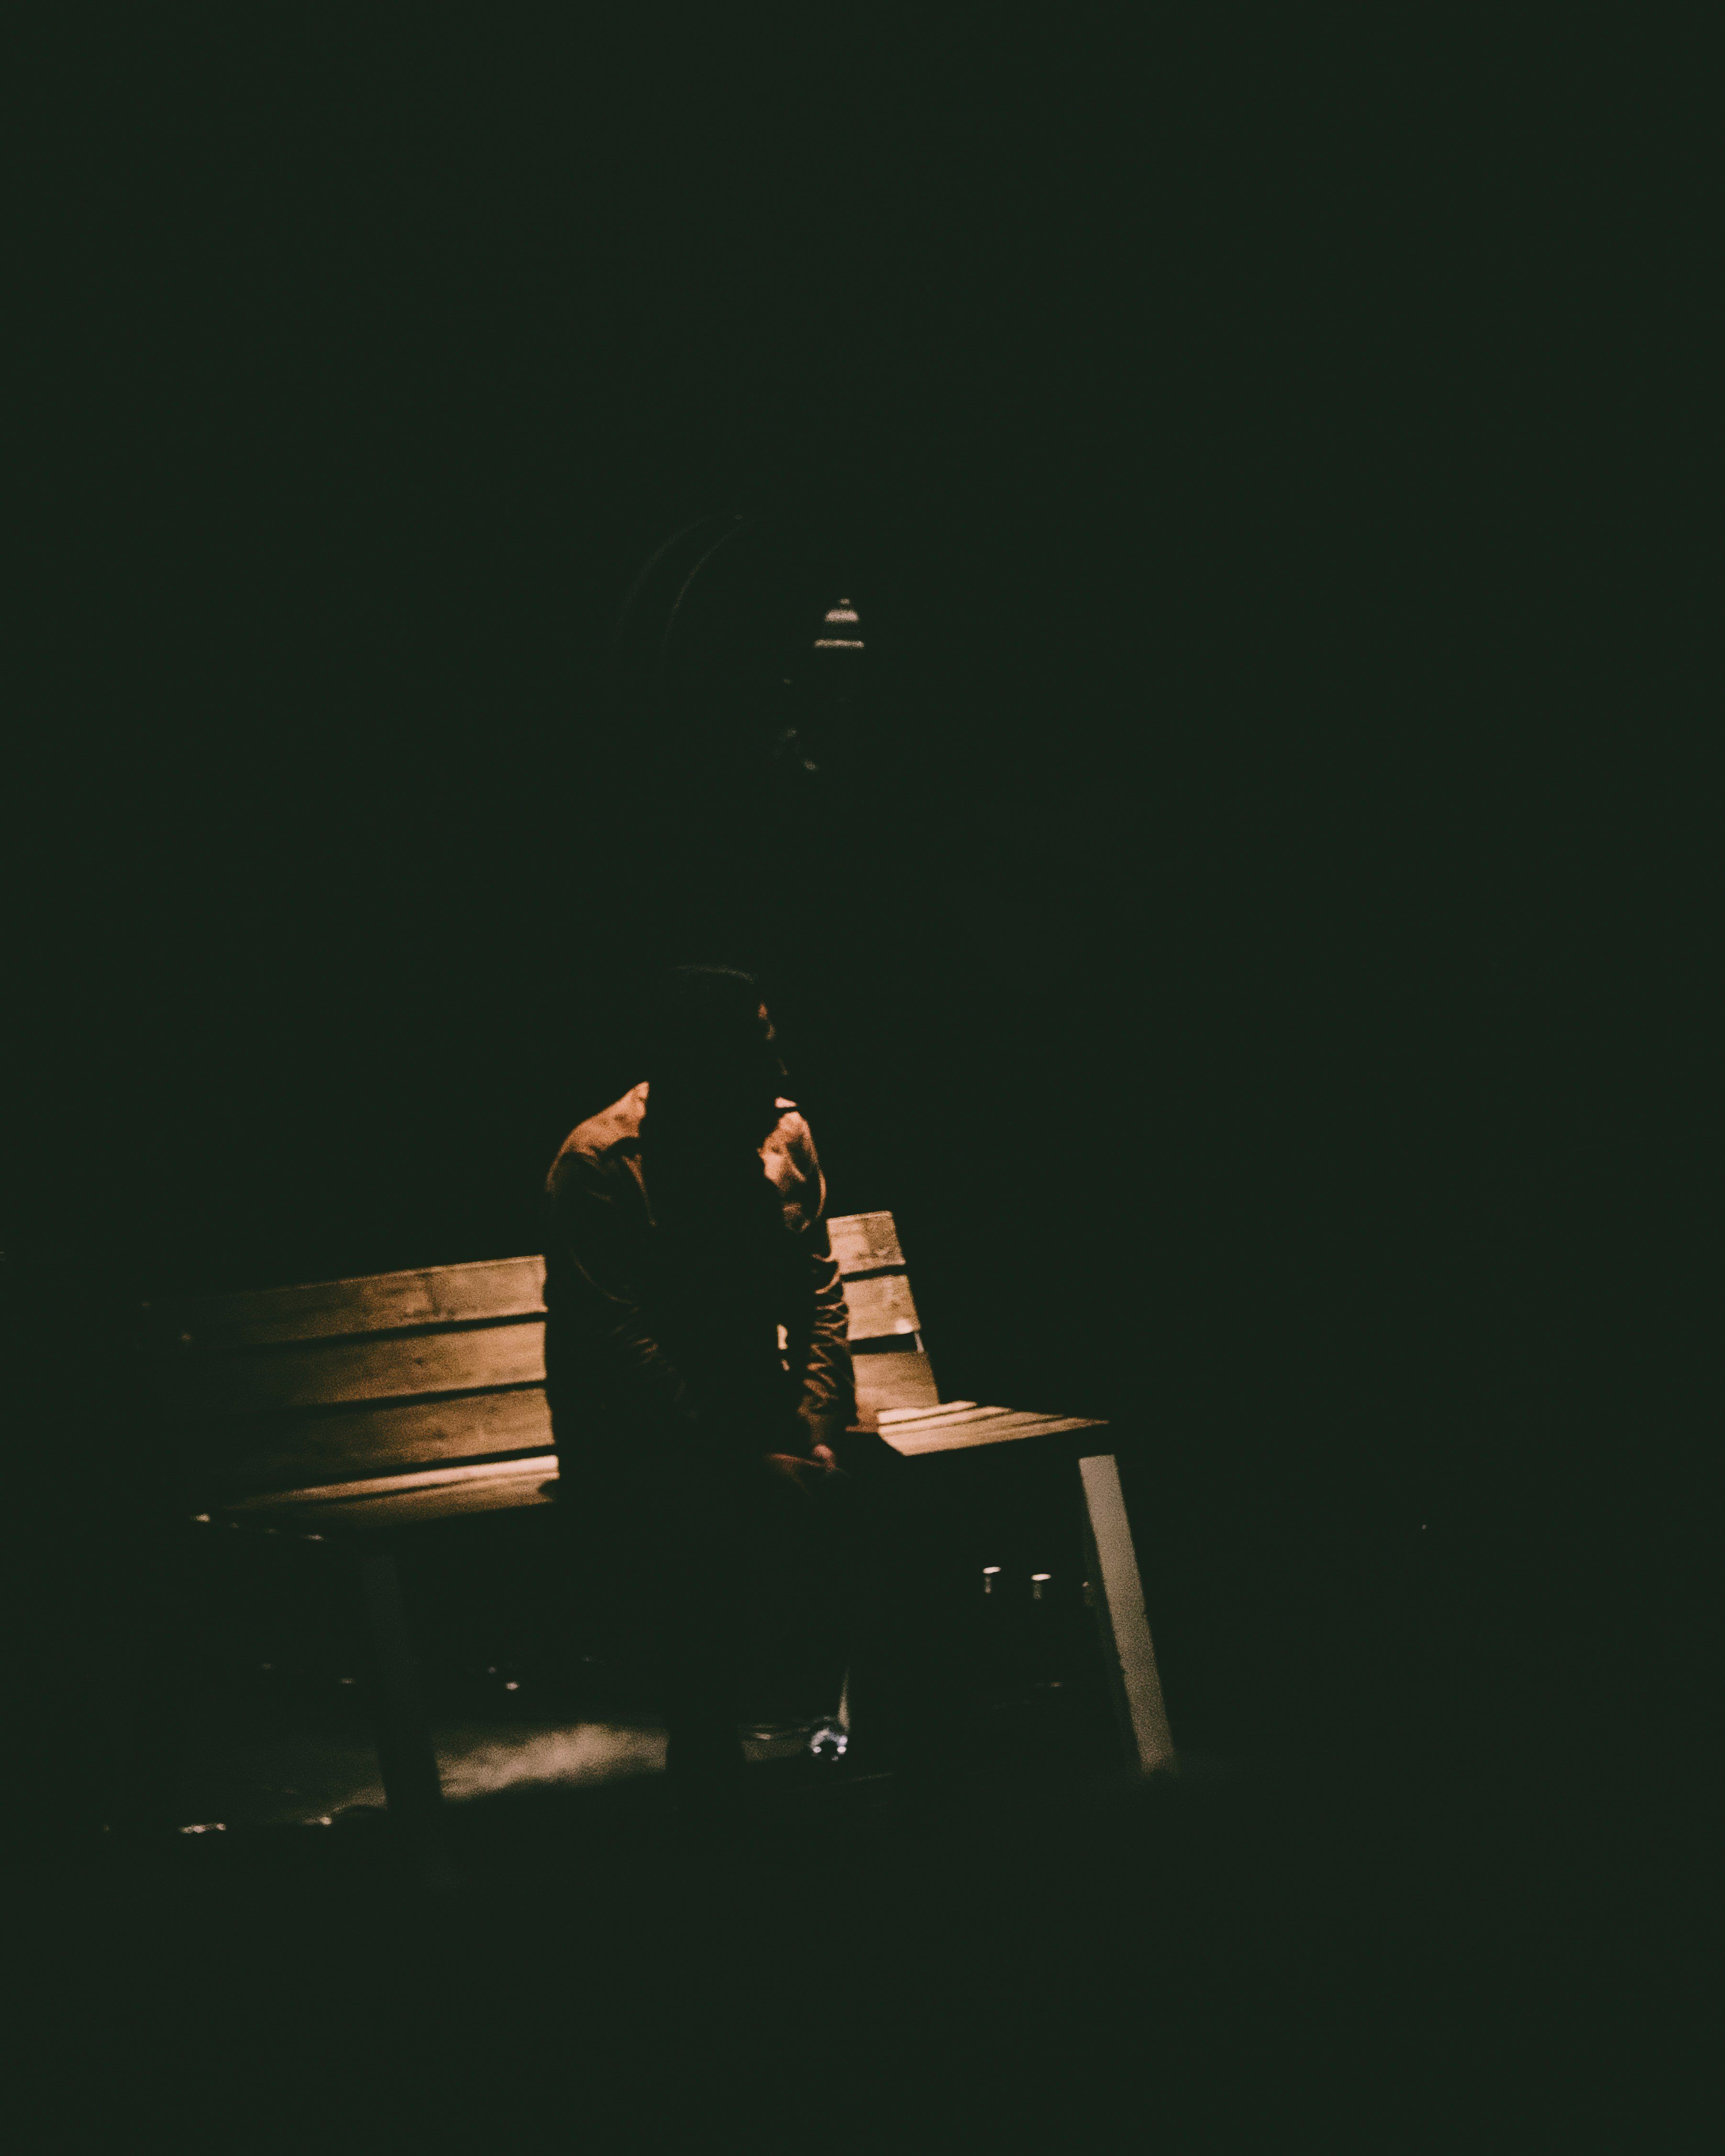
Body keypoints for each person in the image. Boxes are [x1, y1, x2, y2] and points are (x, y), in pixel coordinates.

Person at [542, 965, 958, 1811]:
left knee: (911, 1505)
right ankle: (707, 1769)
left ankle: (906, 1756)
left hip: (757, 1414)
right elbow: (620, 1348)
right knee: (698, 1521)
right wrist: (746, 1457)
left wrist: (811, 1426)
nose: (778, 1075)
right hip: (634, 1432)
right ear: (693, 1065)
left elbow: (819, 1293)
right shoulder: (601, 1165)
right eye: (754, 1054)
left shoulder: (781, 1138)